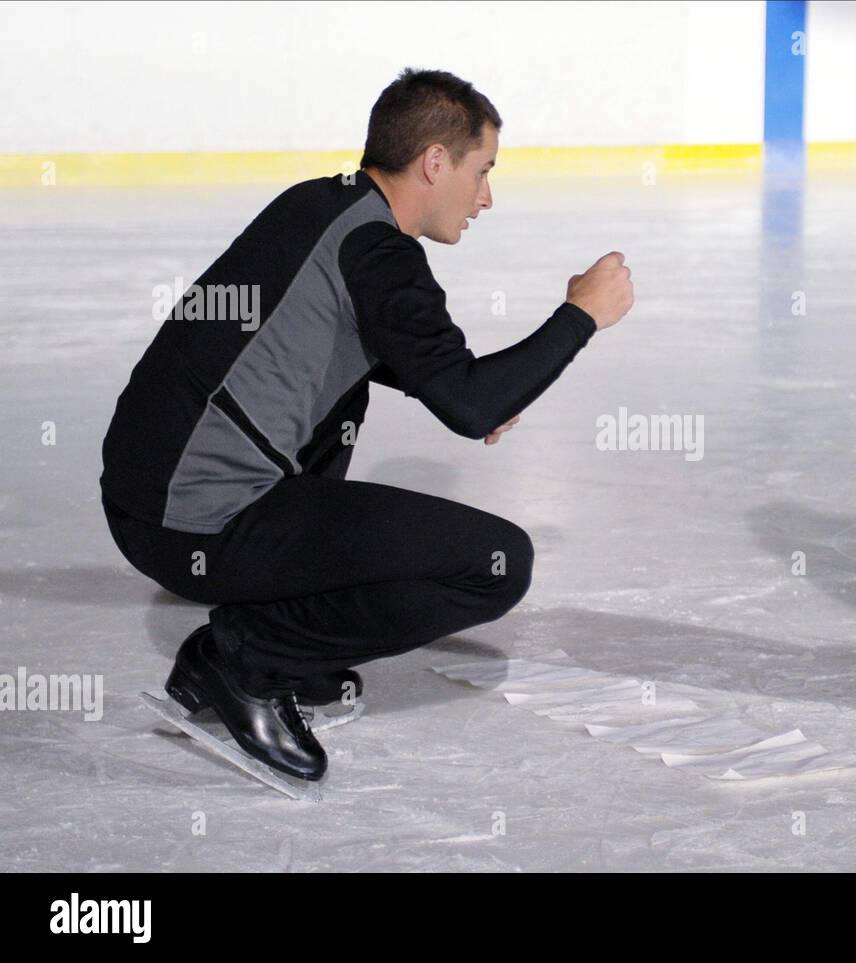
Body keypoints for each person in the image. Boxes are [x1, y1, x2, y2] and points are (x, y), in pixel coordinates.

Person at [100, 68, 634, 781]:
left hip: (146, 498)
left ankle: (252, 646)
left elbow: (386, 356)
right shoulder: (382, 254)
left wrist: (471, 388)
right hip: (198, 516)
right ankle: (249, 660)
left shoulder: (323, 206)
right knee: (496, 564)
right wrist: (581, 315)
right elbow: (467, 403)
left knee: (350, 395)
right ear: (435, 161)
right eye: (482, 170)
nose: (486, 196)